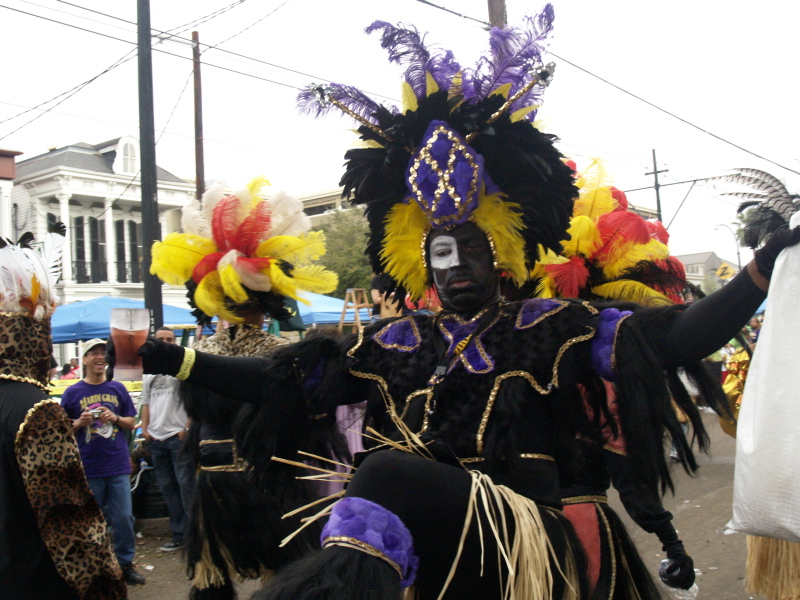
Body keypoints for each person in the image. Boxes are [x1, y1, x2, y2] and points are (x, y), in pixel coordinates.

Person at [141, 13, 799, 600]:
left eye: (470, 252)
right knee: (383, 479)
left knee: (385, 475)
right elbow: (283, 380)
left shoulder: (554, 327)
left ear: (501, 253)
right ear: (422, 263)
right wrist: (181, 361)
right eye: (442, 257)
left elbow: (678, 340)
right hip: (442, 545)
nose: (456, 270)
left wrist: (759, 271)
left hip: (530, 539)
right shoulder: (396, 344)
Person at [148, 179, 340, 598]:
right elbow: (195, 422)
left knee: (283, 577)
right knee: (211, 581)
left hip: (269, 485)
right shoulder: (201, 349)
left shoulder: (278, 353)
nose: (238, 303)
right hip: (214, 487)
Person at [0, 227, 125, 599]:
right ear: (38, 334)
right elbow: (71, 525)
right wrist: (107, 587)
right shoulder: (37, 411)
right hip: (34, 581)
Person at [61, 338, 146, 587]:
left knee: (123, 519)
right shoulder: (72, 392)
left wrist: (115, 417)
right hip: (88, 467)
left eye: (102, 353)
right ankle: (93, 567)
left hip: (117, 465)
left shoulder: (117, 389)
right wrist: (80, 422)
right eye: (94, 353)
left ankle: (125, 565)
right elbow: (63, 429)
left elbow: (132, 422)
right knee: (90, 521)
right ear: (84, 359)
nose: (100, 358)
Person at [140, 326, 195, 553]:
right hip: (157, 437)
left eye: (170, 339)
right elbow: (146, 402)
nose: (166, 342)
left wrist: (187, 427)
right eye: (161, 339)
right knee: (168, 490)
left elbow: (194, 400)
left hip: (177, 436)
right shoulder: (149, 372)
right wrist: (145, 428)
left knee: (187, 488)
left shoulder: (184, 368)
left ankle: (195, 536)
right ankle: (179, 534)